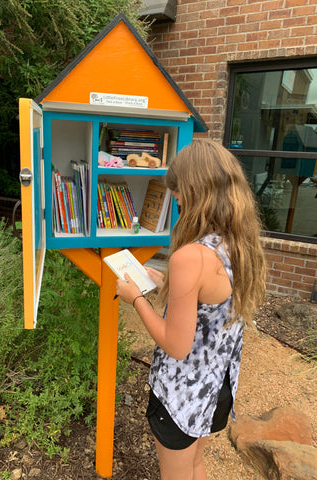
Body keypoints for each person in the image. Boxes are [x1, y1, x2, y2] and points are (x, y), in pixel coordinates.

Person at [116, 138, 266, 480]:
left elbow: (177, 345)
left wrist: (135, 298)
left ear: (196, 189)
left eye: (179, 190)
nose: (177, 199)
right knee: (196, 464)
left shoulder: (190, 257)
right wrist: (165, 281)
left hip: (181, 396)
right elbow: (211, 303)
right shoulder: (239, 243)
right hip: (218, 387)